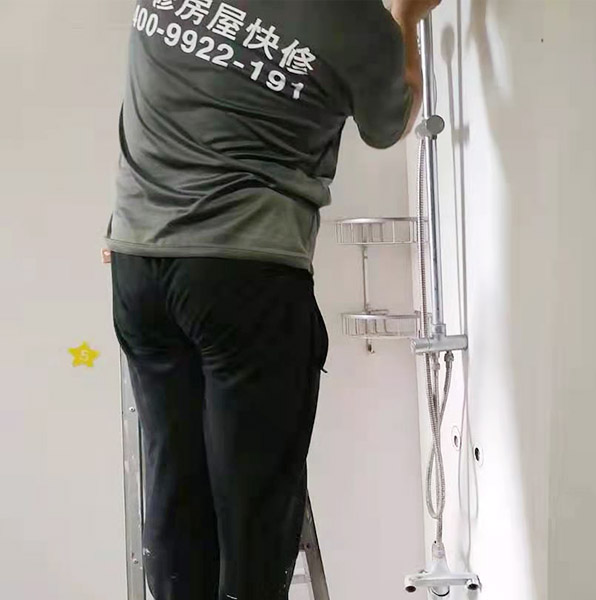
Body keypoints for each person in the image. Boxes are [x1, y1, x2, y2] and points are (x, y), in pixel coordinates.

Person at [107, 0, 440, 598]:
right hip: (246, 274)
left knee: (175, 484)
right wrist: (407, 19)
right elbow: (390, 122)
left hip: (139, 264)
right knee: (254, 504)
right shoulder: (356, 20)